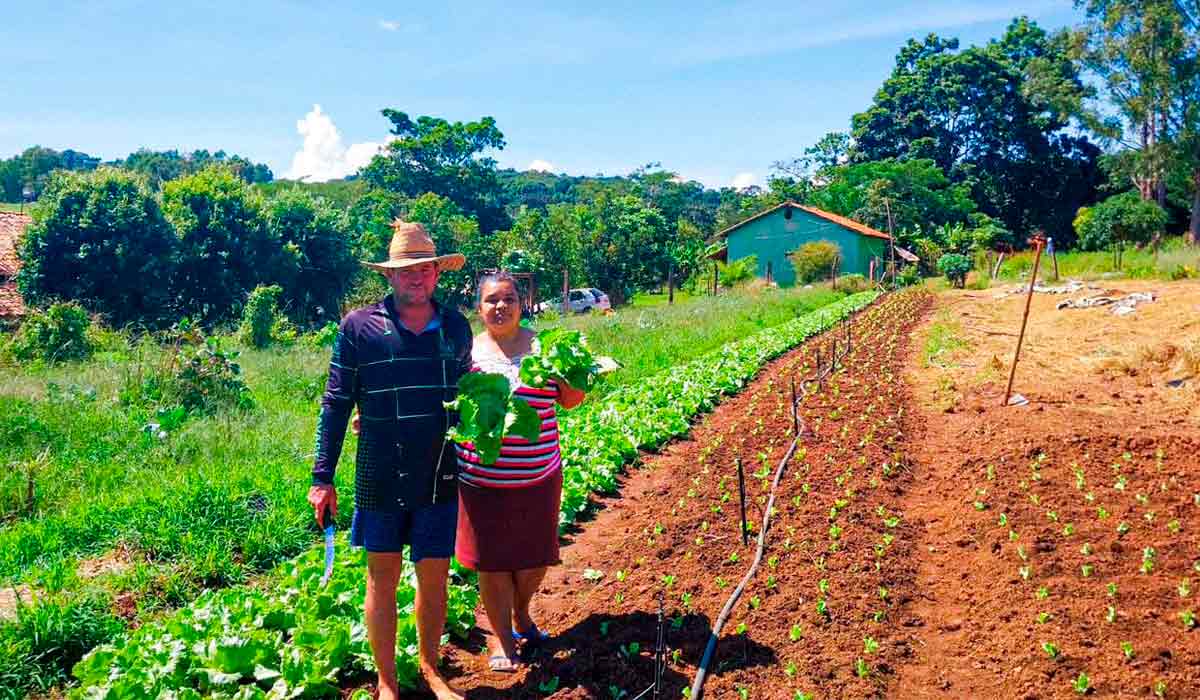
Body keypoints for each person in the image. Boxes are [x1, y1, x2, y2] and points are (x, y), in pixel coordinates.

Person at [308, 220, 472, 700]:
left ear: (437, 273)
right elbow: (336, 403)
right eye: (405, 271)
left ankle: (430, 668)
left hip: (440, 472)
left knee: (435, 578)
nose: (416, 278)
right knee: (380, 580)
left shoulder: (456, 328)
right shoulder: (359, 328)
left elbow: (467, 396)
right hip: (379, 473)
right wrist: (323, 477)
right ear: (389, 276)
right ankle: (386, 681)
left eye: (424, 269)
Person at [453, 271, 586, 671]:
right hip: (481, 481)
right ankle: (502, 642)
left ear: (521, 304)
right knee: (491, 563)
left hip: (538, 476)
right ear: (479, 308)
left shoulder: (544, 348)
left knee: (534, 559)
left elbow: (572, 402)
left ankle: (522, 614)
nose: (501, 307)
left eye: (508, 299)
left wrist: (569, 378)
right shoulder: (466, 355)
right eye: (492, 300)